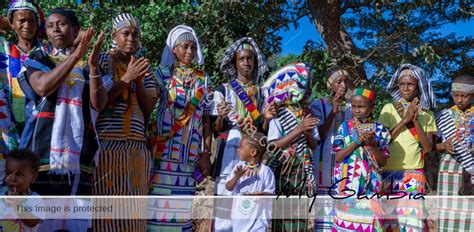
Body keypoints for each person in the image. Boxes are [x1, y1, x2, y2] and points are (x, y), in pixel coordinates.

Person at [17, 8, 106, 231]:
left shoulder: (88, 65)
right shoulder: (37, 59)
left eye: (62, 24)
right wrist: (76, 56)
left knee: (75, 224)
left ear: (75, 30)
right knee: (38, 223)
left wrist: (93, 65)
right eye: (50, 25)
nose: (56, 28)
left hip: (79, 158)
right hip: (42, 155)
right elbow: (43, 86)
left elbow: (99, 104)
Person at [92, 13, 156, 231]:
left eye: (135, 34)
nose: (131, 38)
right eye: (125, 33)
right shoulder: (102, 61)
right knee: (107, 215)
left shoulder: (143, 66)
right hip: (108, 147)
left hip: (136, 148)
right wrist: (127, 78)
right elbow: (99, 102)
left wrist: (137, 78)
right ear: (114, 36)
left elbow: (149, 108)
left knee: (133, 216)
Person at [147, 25, 213, 231]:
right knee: (157, 207)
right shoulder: (161, 74)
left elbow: (206, 119)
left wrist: (206, 152)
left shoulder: (204, 79)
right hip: (162, 152)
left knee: (182, 209)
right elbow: (148, 107)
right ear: (174, 49)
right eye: (185, 46)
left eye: (193, 47)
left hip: (189, 156)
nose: (190, 52)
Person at [212, 37, 276, 231]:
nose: (246, 63)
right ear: (234, 62)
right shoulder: (223, 89)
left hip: (252, 156)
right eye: (242, 59)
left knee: (247, 206)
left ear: (255, 63)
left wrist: (266, 118)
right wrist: (221, 117)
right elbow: (215, 129)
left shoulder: (261, 93)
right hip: (228, 153)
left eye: (250, 59)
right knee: (224, 203)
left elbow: (262, 134)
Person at [378, 64, 437, 231]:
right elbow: (382, 141)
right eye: (401, 84)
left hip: (413, 173)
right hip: (389, 173)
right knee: (391, 220)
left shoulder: (427, 114)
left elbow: (428, 148)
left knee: (413, 219)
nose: (405, 88)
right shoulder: (389, 109)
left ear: (419, 86)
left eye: (410, 84)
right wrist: (405, 120)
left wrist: (416, 120)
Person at [263, 62, 319, 231]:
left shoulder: (307, 112)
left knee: (299, 215)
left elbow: (313, 144)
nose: (306, 88)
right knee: (282, 217)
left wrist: (308, 133)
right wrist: (300, 128)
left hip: (302, 168)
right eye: (303, 84)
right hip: (284, 169)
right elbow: (272, 146)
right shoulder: (279, 114)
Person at [331, 87, 391, 232]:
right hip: (347, 185)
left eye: (362, 106)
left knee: (369, 223)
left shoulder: (381, 130)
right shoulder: (344, 128)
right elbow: (338, 157)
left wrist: (372, 145)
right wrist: (358, 141)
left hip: (371, 187)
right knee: (346, 222)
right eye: (354, 106)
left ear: (372, 107)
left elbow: (383, 161)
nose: (357, 110)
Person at [0, 0, 45, 187]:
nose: (27, 26)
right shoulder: (3, 49)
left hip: (41, 129)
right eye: (21, 20)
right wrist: (7, 21)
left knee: (38, 187)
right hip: (8, 131)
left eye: (32, 21)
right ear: (12, 23)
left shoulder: (48, 50)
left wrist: (43, 25)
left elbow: (79, 35)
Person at [310, 66, 352, 231]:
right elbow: (317, 135)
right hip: (323, 163)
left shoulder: (351, 106)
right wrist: (333, 112)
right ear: (330, 85)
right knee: (324, 211)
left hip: (345, 164)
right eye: (339, 81)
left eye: (346, 81)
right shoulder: (318, 104)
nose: (343, 85)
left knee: (344, 209)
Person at [435, 74, 474, 230]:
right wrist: (443, 145)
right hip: (449, 169)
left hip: (471, 169)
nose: (459, 100)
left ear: (472, 95)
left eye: (464, 96)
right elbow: (429, 146)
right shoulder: (443, 116)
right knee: (448, 210)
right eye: (456, 95)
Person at [225, 132, 275, 232]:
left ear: (253, 152)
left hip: (258, 221)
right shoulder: (238, 167)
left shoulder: (265, 171)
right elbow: (228, 187)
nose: (238, 149)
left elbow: (270, 195)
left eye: (241, 147)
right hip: (239, 220)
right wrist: (237, 176)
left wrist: (261, 194)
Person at [0, 149, 44, 232]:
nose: (12, 178)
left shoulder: (35, 199)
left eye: (18, 174)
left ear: (33, 177)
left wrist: (16, 204)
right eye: (8, 173)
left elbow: (32, 222)